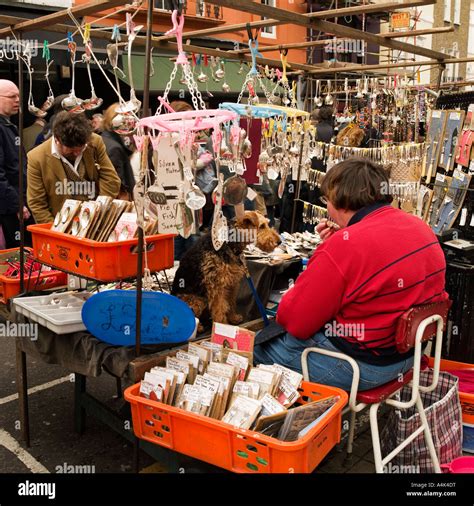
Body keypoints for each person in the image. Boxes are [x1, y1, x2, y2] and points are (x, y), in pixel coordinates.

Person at [254, 158, 449, 391]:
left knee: (258, 348)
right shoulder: (419, 226)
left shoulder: (345, 246)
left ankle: (288, 422)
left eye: (326, 200)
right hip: (408, 356)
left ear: (338, 199)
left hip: (364, 367)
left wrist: (331, 251)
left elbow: (296, 321)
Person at [27, 111, 121, 224]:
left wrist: (98, 212)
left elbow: (111, 180)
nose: (77, 153)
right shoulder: (36, 157)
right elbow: (37, 203)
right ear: (57, 140)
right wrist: (56, 231)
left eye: (81, 148)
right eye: (71, 150)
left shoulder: (95, 142)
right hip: (59, 224)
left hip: (96, 221)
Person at [0, 79, 32, 248]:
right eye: (12, 96)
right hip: (9, 209)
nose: (18, 100)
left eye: (19, 96)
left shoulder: (7, 125)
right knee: (15, 255)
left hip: (17, 203)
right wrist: (16, 204)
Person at [101, 103, 135, 200]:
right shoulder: (114, 148)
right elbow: (119, 185)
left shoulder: (103, 141)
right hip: (118, 204)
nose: (130, 123)